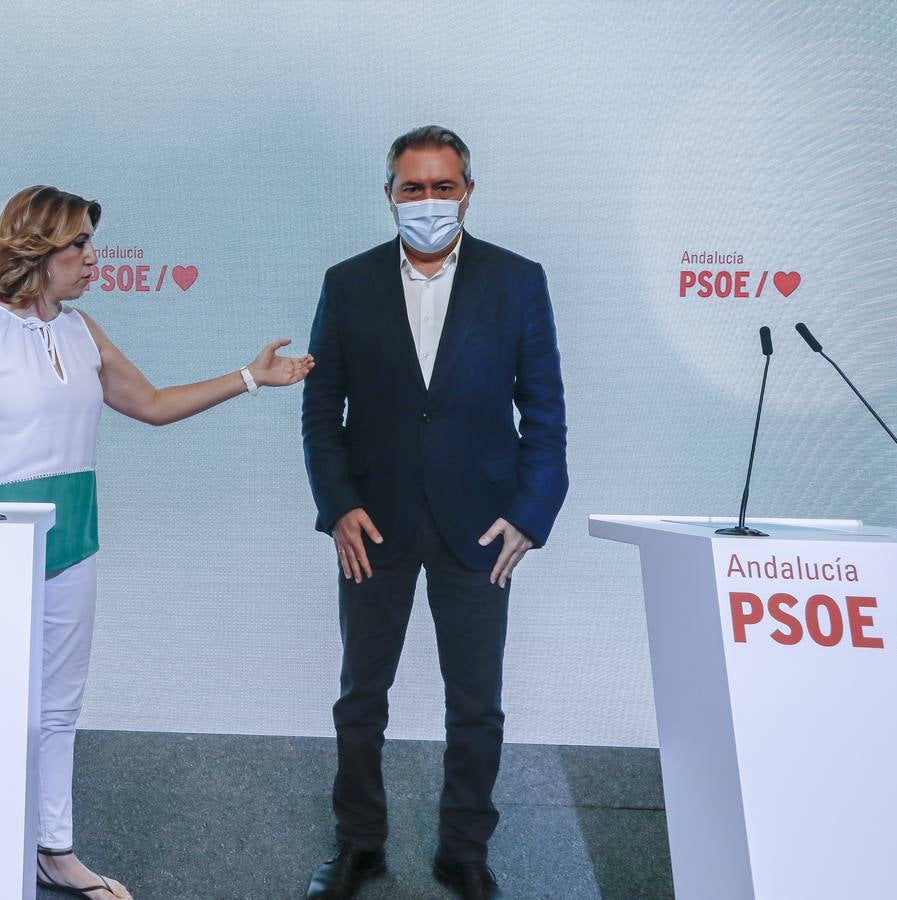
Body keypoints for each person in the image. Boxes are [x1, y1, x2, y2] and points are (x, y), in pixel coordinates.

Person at [0, 185, 312, 899]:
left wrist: (252, 377)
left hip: (73, 532)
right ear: (37, 247)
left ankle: (53, 851)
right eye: (80, 245)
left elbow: (152, 405)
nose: (94, 258)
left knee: (59, 705)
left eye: (92, 244)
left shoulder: (81, 331)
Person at [300, 126, 568, 900]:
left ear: (468, 191)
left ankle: (464, 851)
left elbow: (544, 414)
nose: (427, 202)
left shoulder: (516, 281)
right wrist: (337, 506)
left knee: (476, 703)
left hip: (480, 528)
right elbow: (323, 414)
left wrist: (528, 513)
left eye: (441, 187)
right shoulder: (347, 283)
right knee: (360, 697)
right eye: (411, 188)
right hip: (371, 524)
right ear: (387, 193)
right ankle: (358, 846)